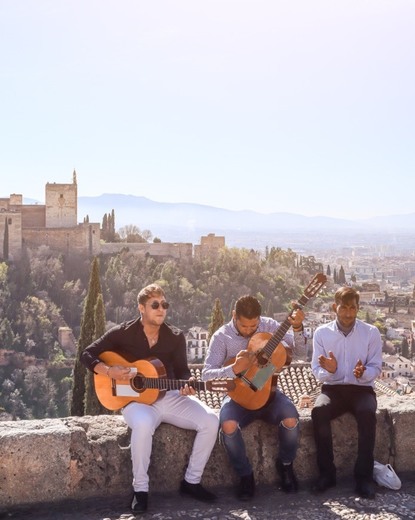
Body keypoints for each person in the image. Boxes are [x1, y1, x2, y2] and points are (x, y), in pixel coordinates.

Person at [81, 283, 219, 514]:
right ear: (141, 308)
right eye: (155, 305)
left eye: (164, 305)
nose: (161, 309)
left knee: (211, 420)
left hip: (169, 395)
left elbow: (183, 372)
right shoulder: (122, 333)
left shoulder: (175, 337)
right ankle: (141, 490)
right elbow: (87, 354)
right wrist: (108, 371)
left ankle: (191, 482)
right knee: (143, 425)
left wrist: (187, 384)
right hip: (134, 400)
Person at [202, 295, 306, 500]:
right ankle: (245, 476)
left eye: (254, 325)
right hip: (238, 398)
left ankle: (285, 465)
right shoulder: (222, 337)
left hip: (270, 394)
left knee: (292, 419)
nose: (249, 330)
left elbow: (301, 354)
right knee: (228, 425)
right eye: (244, 325)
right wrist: (233, 369)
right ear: (234, 316)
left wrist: (298, 328)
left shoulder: (271, 326)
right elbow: (206, 375)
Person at [311, 286, 382, 499]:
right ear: (335, 307)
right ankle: (326, 474)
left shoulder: (371, 332)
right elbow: (316, 369)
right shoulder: (321, 333)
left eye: (353, 308)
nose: (348, 313)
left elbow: (376, 367)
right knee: (318, 411)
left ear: (358, 309)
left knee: (367, 414)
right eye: (344, 308)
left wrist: (363, 372)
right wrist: (329, 371)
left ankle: (363, 478)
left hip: (362, 390)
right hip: (333, 389)